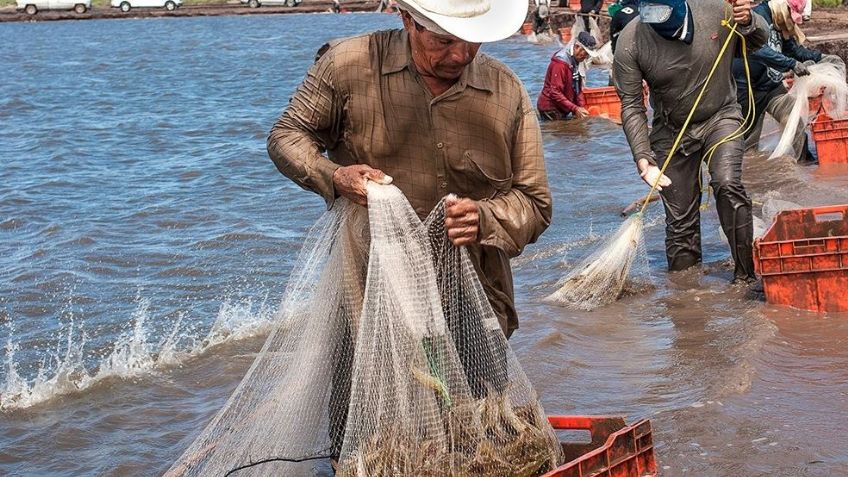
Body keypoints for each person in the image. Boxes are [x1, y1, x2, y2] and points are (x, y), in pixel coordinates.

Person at [268, 0, 551, 339]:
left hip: (475, 296)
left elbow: (535, 203)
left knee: (479, 392)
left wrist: (485, 218)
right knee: (368, 391)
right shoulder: (348, 65)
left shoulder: (506, 92)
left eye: (472, 40)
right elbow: (286, 136)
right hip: (369, 295)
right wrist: (335, 176)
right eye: (444, 41)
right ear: (407, 19)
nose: (461, 55)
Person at [613, 0, 768, 283]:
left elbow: (758, 42)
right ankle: (686, 298)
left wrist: (749, 21)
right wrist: (642, 157)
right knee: (679, 221)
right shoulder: (630, 40)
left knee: (726, 184)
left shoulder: (717, 11)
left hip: (721, 115)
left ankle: (746, 277)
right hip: (671, 131)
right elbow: (632, 105)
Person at [733, 0, 822, 162]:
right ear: (781, 5)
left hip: (771, 86)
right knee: (748, 145)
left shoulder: (780, 21)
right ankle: (754, 179)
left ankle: (805, 164)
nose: (790, 18)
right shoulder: (757, 17)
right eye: (790, 12)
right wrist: (791, 64)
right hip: (747, 91)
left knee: (795, 123)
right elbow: (758, 50)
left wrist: (821, 58)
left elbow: (793, 50)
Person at [537, 31, 600, 120]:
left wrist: (581, 107)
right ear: (577, 47)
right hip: (550, 108)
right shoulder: (561, 63)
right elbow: (555, 92)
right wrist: (575, 108)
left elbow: (578, 89)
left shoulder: (577, 60)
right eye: (585, 53)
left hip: (563, 107)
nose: (585, 57)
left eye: (587, 55)